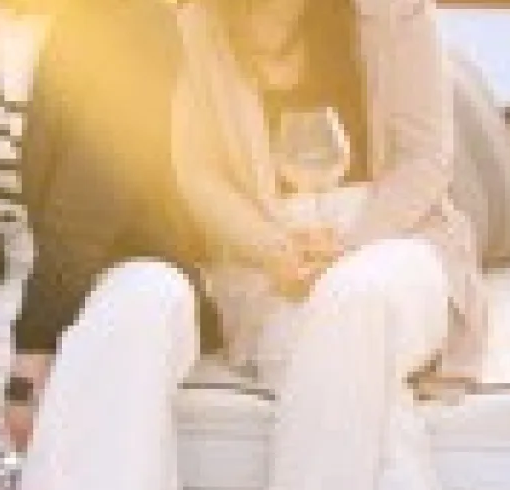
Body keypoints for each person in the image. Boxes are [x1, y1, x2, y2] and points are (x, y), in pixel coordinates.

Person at [0, 0, 205, 488]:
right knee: (99, 410)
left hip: (112, 268)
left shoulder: (134, 21)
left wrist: (33, 349)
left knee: (146, 309)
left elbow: (90, 206)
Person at [172, 0, 488, 489]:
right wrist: (271, 248)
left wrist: (348, 245)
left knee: (351, 298)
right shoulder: (200, 22)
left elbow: (426, 160)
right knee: (374, 409)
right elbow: (198, 173)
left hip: (395, 238)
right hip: (272, 262)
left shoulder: (400, 12)